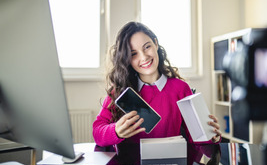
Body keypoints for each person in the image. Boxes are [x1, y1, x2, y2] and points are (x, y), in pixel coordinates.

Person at [92, 21, 221, 148]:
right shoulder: (120, 92)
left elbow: (197, 139)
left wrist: (211, 136)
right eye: (133, 54)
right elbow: (97, 133)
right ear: (127, 59)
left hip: (171, 164)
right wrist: (115, 131)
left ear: (156, 44)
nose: (144, 57)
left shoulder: (180, 88)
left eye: (147, 47)